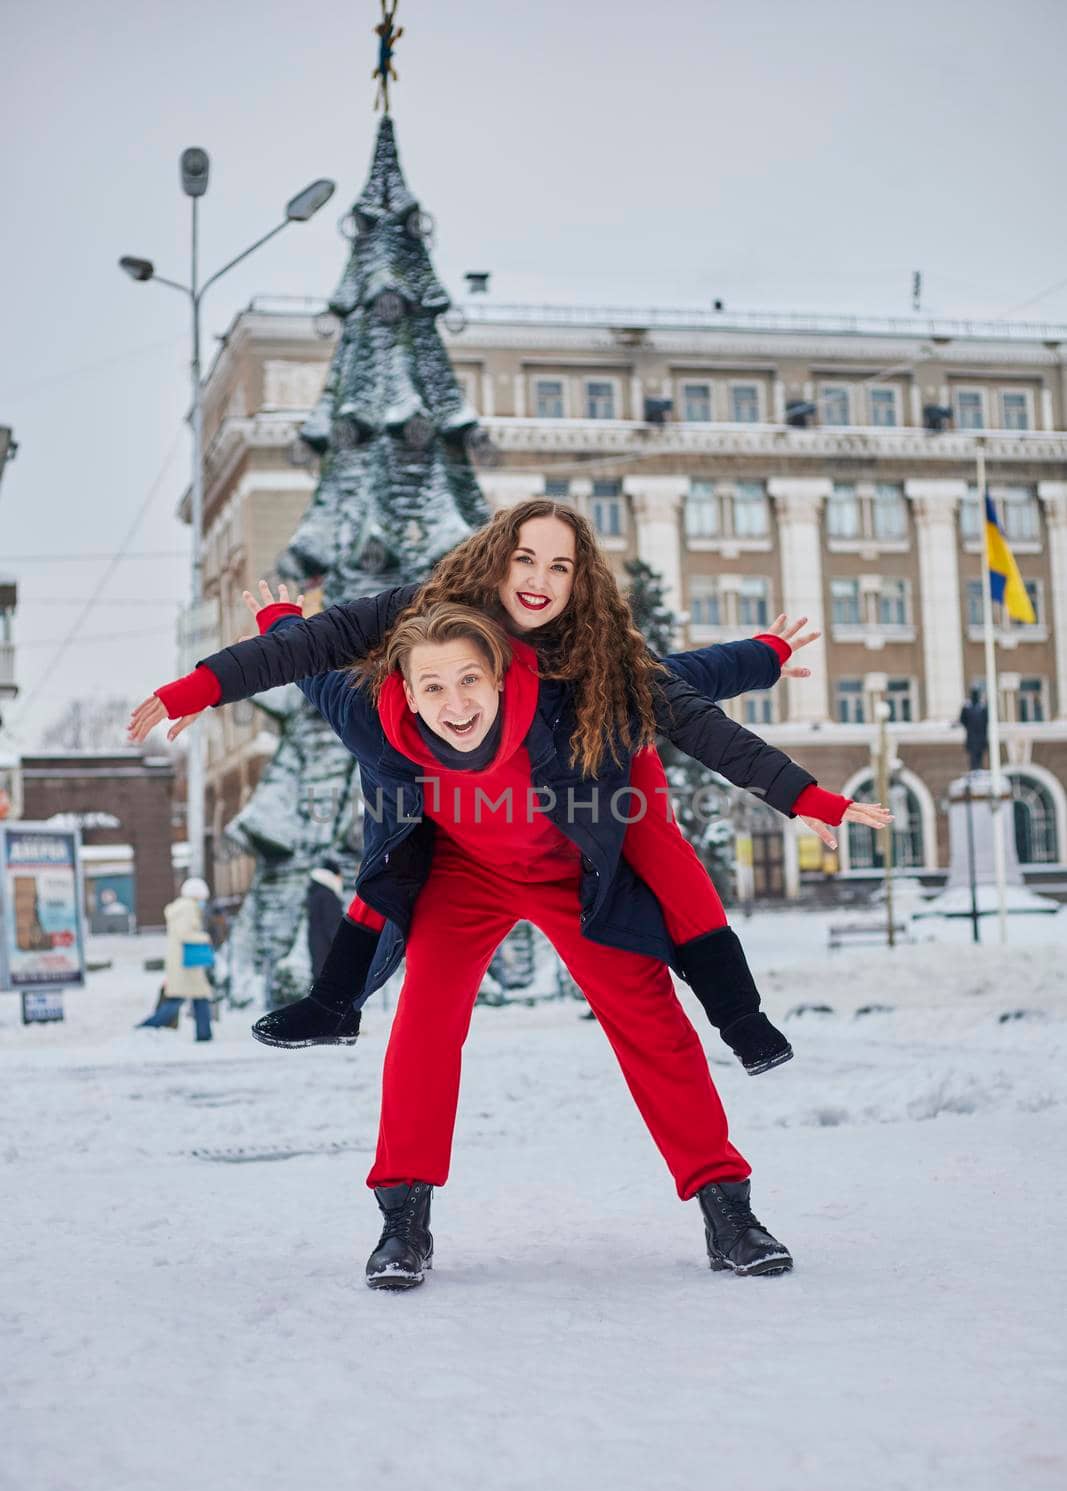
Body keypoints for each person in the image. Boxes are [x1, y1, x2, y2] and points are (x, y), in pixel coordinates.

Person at [132, 595, 890, 1290]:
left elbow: (681, 684)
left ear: (502, 675)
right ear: (404, 686)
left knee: (653, 1024)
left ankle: (728, 1211)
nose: (452, 703)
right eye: (431, 687)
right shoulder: (375, 713)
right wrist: (277, 620)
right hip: (462, 876)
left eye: (469, 680)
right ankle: (403, 1222)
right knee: (424, 1027)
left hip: (576, 872)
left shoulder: (570, 700)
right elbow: (309, 666)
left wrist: (764, 654)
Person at [131, 501, 887, 1073]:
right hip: (461, 803)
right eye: (526, 559)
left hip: (590, 760)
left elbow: (685, 697)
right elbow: (317, 656)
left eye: (560, 567)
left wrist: (797, 766)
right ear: (496, 558)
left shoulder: (593, 652)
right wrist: (209, 677)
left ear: (578, 580)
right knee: (392, 858)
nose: (538, 580)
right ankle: (334, 1004)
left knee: (657, 839)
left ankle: (737, 1016)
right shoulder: (416, 628)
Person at [137, 877, 214, 1042]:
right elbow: (184, 933)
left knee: (190, 997)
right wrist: (204, 937)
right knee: (184, 998)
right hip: (185, 963)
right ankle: (147, 1027)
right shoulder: (187, 908)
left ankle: (204, 1034)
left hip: (185, 962)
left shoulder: (185, 907)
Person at [306, 857, 344, 981]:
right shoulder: (328, 896)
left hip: (318, 953)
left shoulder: (317, 892)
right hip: (327, 956)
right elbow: (334, 927)